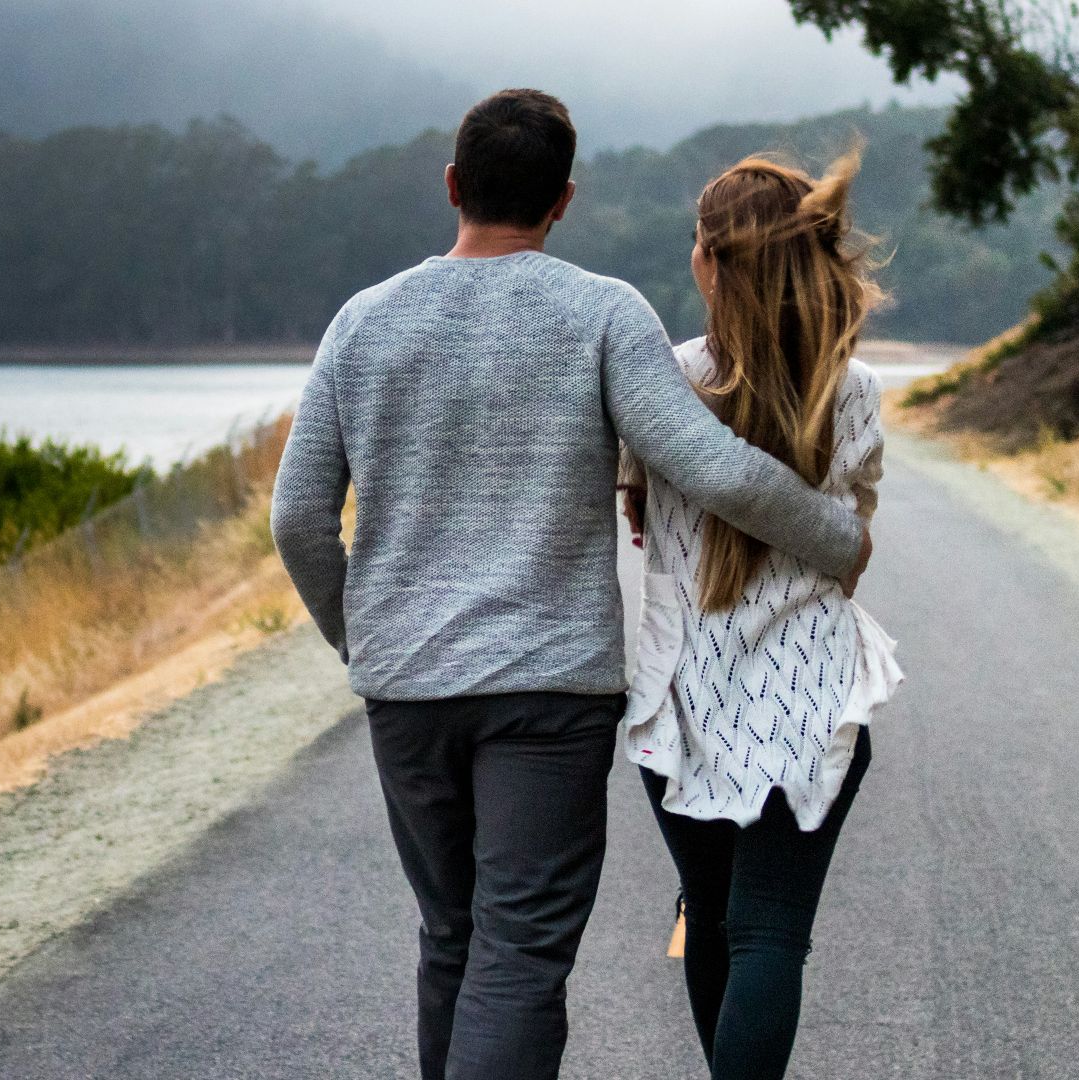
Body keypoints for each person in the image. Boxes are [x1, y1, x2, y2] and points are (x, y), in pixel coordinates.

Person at [268, 89, 871, 1080]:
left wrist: (361, 637)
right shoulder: (600, 312)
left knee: (451, 941)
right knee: (517, 959)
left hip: (406, 693)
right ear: (564, 201)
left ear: (454, 185)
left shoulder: (359, 324)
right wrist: (838, 537)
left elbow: (298, 518)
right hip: (547, 703)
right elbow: (712, 468)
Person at [618, 149, 904, 1080]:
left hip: (683, 703)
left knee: (710, 918)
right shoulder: (850, 389)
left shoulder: (661, 382)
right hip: (812, 698)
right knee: (770, 935)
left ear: (708, 260)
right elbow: (855, 531)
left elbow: (630, 512)